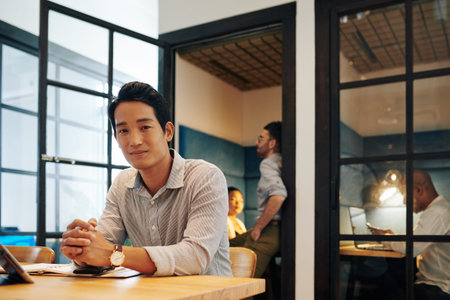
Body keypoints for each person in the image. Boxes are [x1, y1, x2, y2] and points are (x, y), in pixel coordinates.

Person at [60, 81, 232, 277]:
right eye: (124, 131)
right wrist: (82, 248)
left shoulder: (206, 177)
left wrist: (110, 253)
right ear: (116, 138)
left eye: (145, 127)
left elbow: (194, 258)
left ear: (167, 131)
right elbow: (104, 245)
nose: (134, 141)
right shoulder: (122, 183)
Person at [370, 169, 450, 299]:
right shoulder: (439, 209)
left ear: (419, 190)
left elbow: (410, 248)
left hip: (437, 289)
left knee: (380, 289)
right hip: (433, 285)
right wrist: (392, 237)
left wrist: (383, 238)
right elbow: (414, 241)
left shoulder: (437, 211)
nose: (404, 202)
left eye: (405, 194)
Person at [229, 121, 287, 278]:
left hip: (270, 230)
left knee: (240, 282)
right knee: (226, 246)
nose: (256, 142)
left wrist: (258, 227)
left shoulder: (267, 164)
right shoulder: (283, 162)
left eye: (261, 138)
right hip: (280, 230)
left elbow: (278, 196)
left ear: (272, 143)